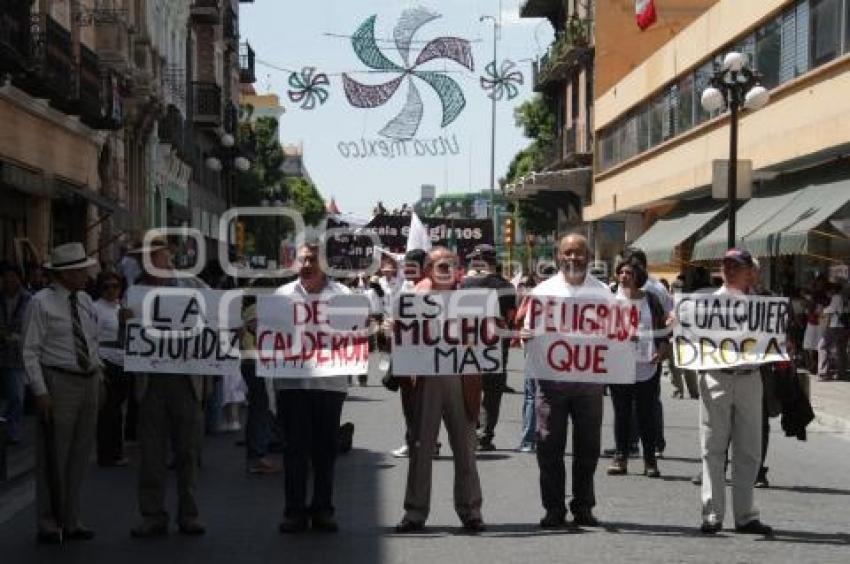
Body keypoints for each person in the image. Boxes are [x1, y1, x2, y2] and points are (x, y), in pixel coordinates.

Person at [396, 247, 484, 534]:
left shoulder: (471, 299)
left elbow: (489, 335)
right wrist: (389, 332)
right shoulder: (412, 299)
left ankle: (471, 511)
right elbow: (397, 342)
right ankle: (415, 512)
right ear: (428, 268)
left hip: (462, 379)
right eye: (439, 264)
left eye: (451, 264)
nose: (446, 268)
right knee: (421, 447)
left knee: (465, 449)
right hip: (425, 381)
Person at [527, 234, 610, 529]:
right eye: (568, 253)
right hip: (551, 383)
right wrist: (527, 335)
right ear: (558, 257)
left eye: (579, 253)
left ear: (588, 257)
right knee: (549, 447)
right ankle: (553, 508)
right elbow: (528, 330)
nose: (573, 258)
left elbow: (615, 334)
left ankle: (583, 506)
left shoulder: (604, 294)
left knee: (588, 448)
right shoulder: (541, 292)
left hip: (589, 383)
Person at [129, 233, 208, 538]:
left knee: (188, 451)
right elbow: (130, 338)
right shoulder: (135, 291)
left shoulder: (191, 285)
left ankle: (188, 514)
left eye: (155, 255)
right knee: (150, 452)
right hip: (151, 382)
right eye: (144, 258)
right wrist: (127, 321)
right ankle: (153, 514)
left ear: (168, 256)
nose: (150, 262)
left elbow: (215, 318)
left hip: (186, 379)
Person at [22, 243, 100, 543]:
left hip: (88, 379)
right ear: (65, 274)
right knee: (54, 454)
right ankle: (48, 520)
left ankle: (71, 518)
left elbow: (91, 340)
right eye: (80, 270)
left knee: (80, 454)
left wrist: (98, 373)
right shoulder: (40, 303)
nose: (86, 274)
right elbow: (29, 351)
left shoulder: (85, 301)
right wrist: (40, 391)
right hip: (59, 380)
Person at [694, 248, 772, 536]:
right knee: (713, 448)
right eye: (726, 265)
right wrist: (676, 324)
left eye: (736, 266)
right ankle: (712, 514)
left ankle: (745, 515)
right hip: (717, 377)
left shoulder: (764, 305)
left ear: (751, 271)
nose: (729, 270)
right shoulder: (703, 305)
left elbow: (774, 339)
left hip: (750, 377)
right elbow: (688, 334)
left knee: (749, 450)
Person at [275, 243, 351, 534]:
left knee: (325, 451)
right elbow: (264, 327)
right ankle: (294, 511)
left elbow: (357, 331)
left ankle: (322, 510)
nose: (307, 264)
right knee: (294, 450)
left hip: (329, 385)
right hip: (292, 384)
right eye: (303, 259)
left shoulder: (344, 296)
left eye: (312, 259)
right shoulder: (282, 296)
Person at [606, 257, 667, 478]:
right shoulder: (610, 300)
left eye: (629, 273)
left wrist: (661, 350)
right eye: (621, 272)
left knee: (646, 414)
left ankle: (650, 460)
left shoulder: (650, 300)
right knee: (621, 413)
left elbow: (662, 329)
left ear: (638, 277)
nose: (624, 276)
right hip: (619, 366)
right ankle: (620, 457)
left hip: (646, 366)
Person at [460, 244, 516, 452]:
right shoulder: (507, 286)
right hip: (497, 347)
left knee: (469, 389)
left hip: (468, 345)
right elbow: (510, 318)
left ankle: (469, 429)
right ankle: (485, 435)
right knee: (492, 393)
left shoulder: (464, 285)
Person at [93, 271, 131, 467]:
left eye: (115, 286)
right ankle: (108, 454)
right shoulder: (95, 308)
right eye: (107, 286)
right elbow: (93, 338)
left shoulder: (123, 307)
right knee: (109, 411)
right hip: (106, 363)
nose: (111, 290)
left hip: (124, 363)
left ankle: (116, 450)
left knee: (118, 410)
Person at [1, 265, 31, 445]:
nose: (9, 280)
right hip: (2, 351)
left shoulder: (29, 300)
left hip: (18, 355)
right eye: (6, 277)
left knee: (17, 396)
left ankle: (12, 430)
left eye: (13, 276)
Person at [822, 282, 849, 381]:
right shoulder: (844, 298)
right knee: (841, 350)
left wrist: (823, 310)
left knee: (823, 346)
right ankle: (842, 373)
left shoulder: (837, 297)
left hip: (835, 326)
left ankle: (824, 372)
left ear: (833, 290)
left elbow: (832, 309)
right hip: (843, 327)